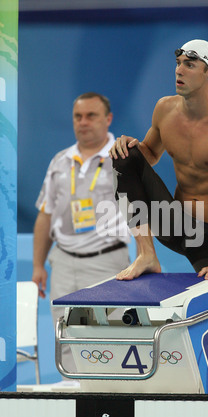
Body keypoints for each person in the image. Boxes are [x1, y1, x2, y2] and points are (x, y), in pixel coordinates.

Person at [109, 40, 208, 377]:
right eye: (178, 62)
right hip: (173, 222)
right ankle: (146, 254)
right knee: (126, 159)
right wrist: (129, 145)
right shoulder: (164, 109)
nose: (179, 70)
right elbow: (149, 155)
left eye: (190, 65)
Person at [33, 92, 131, 382]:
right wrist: (39, 265)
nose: (83, 122)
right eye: (78, 116)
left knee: (110, 335)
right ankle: (71, 394)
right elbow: (46, 214)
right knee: (64, 334)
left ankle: (110, 396)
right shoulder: (60, 161)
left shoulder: (122, 156)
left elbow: (142, 211)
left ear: (108, 119)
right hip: (63, 262)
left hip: (108, 262)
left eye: (91, 115)